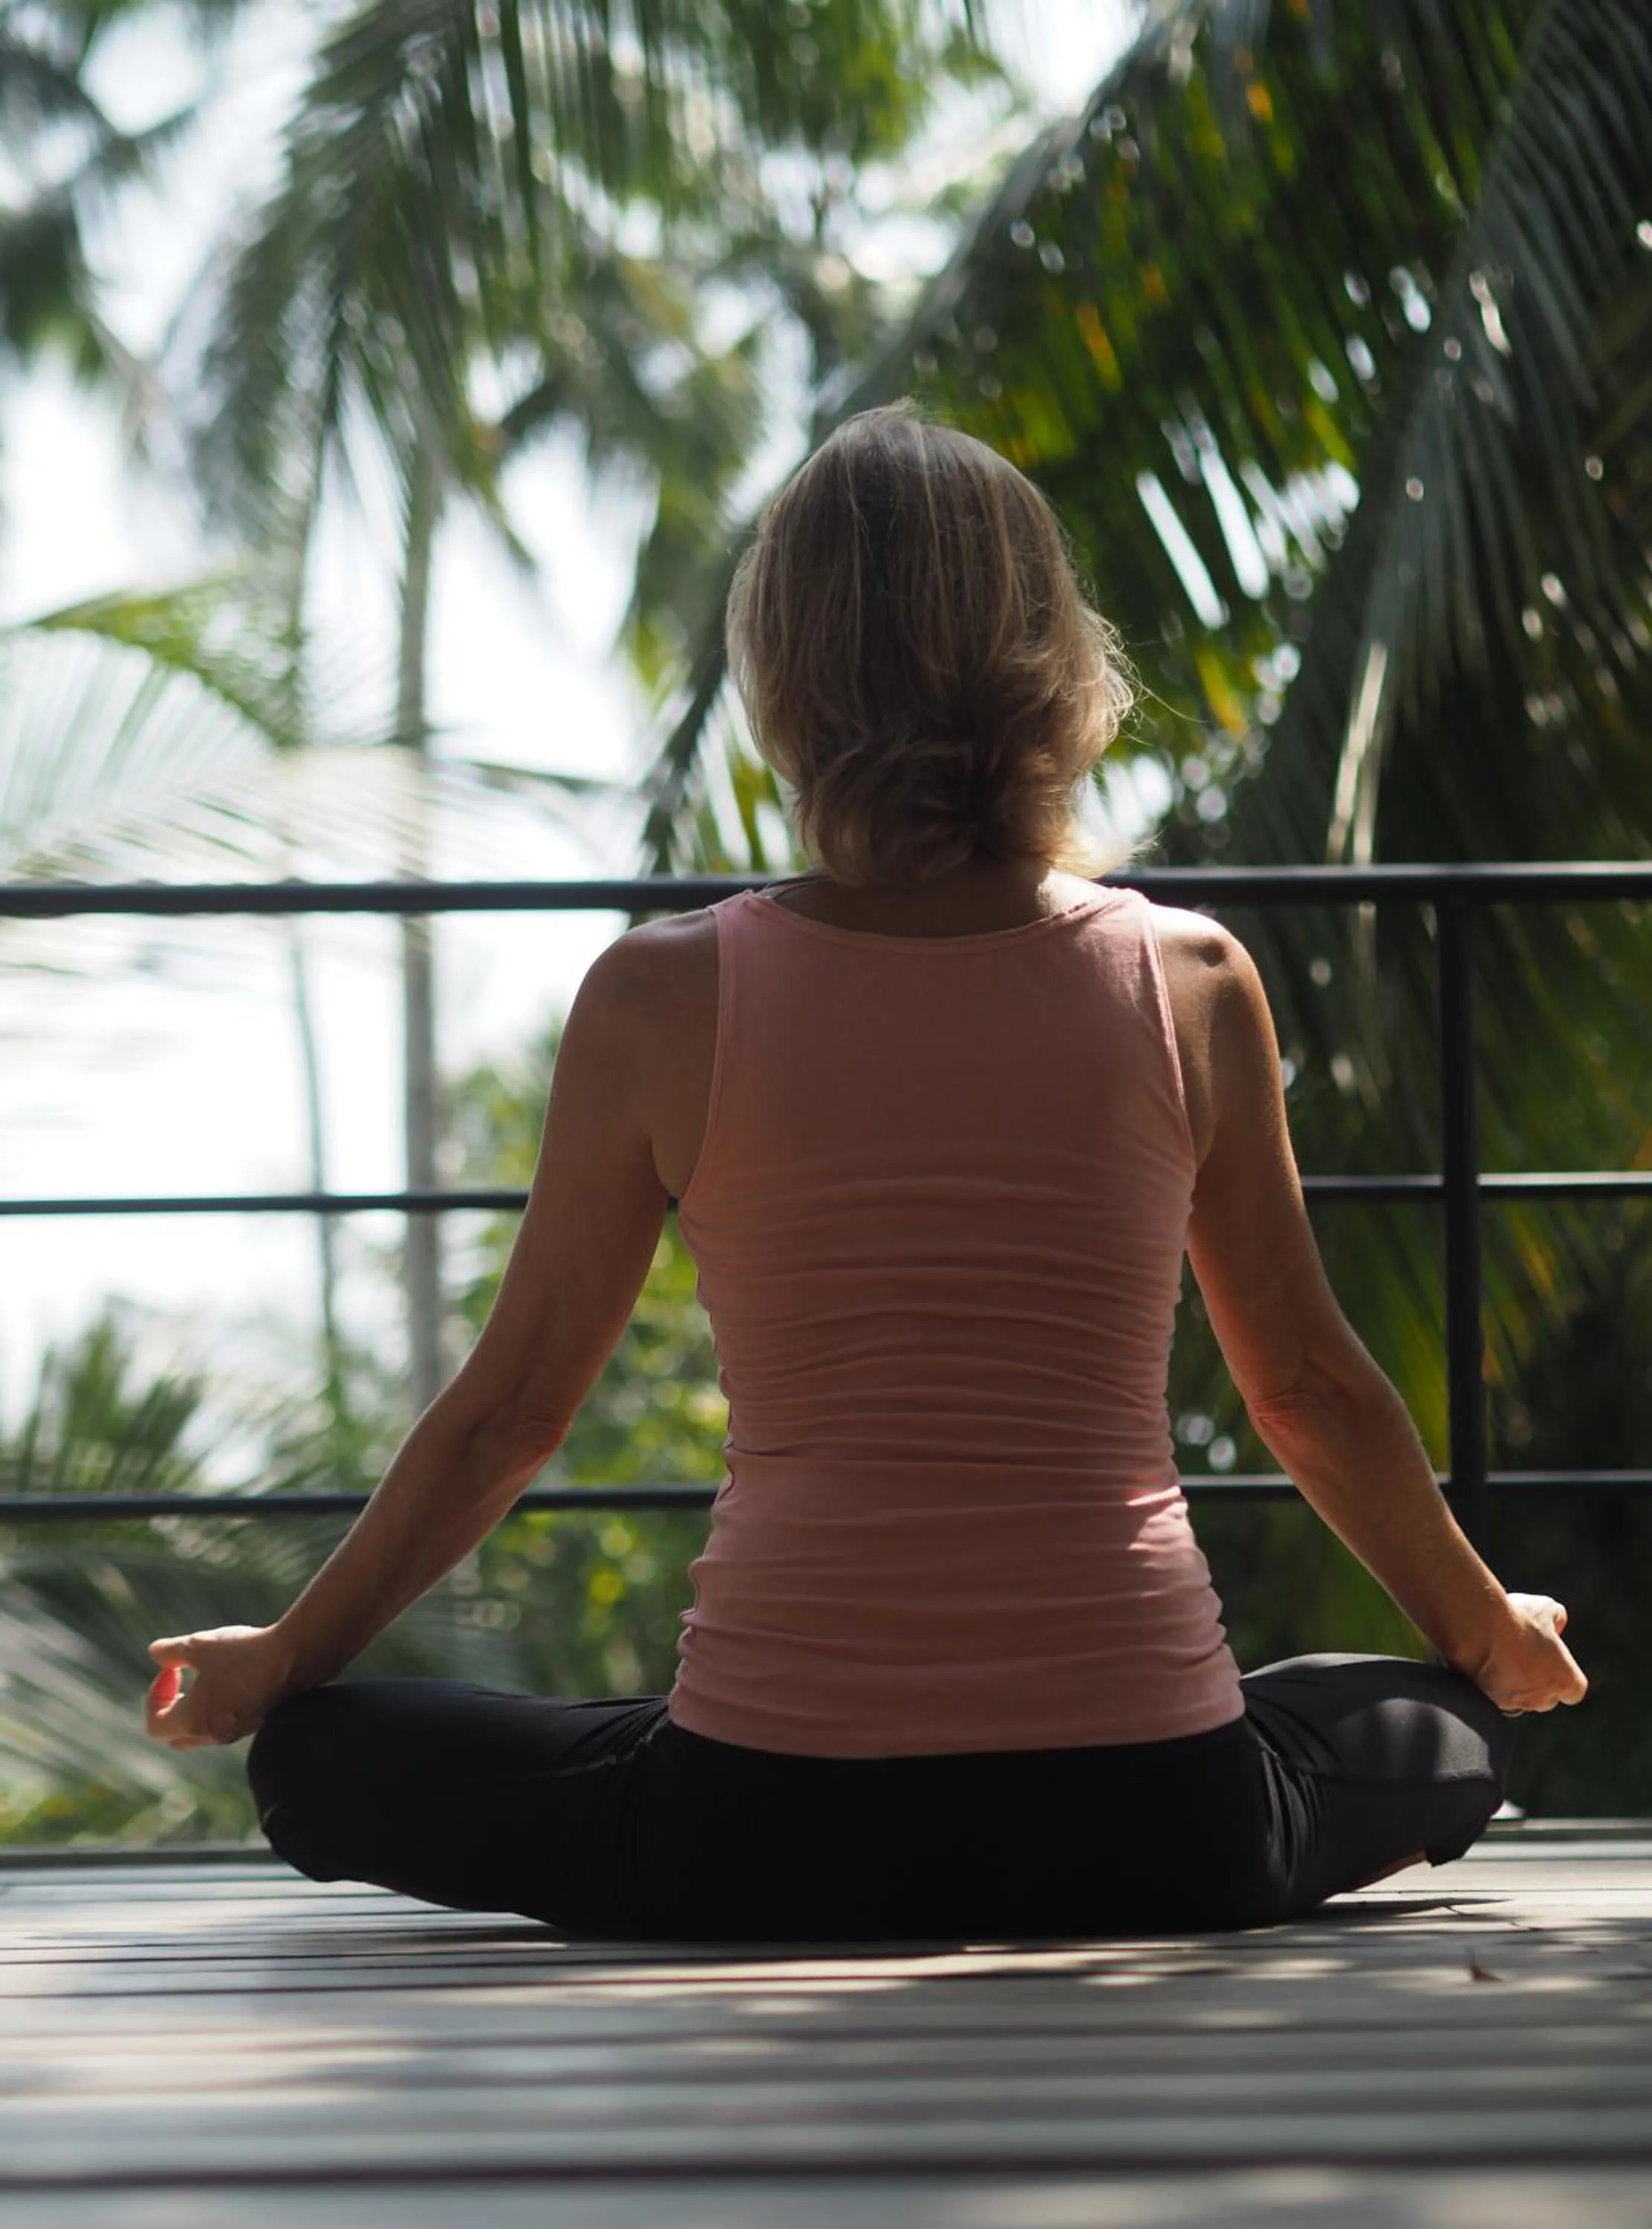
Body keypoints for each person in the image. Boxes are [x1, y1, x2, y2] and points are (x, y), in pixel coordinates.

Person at [145, 400, 1587, 1942]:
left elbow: (512, 1413)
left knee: (316, 1758)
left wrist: (287, 1656)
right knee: (1444, 1722)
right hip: (1161, 1819)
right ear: (1056, 656)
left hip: (761, 1828)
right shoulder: (1188, 977)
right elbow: (1301, 1386)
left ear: (783, 679)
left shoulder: (660, 994)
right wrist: (1481, 1635)